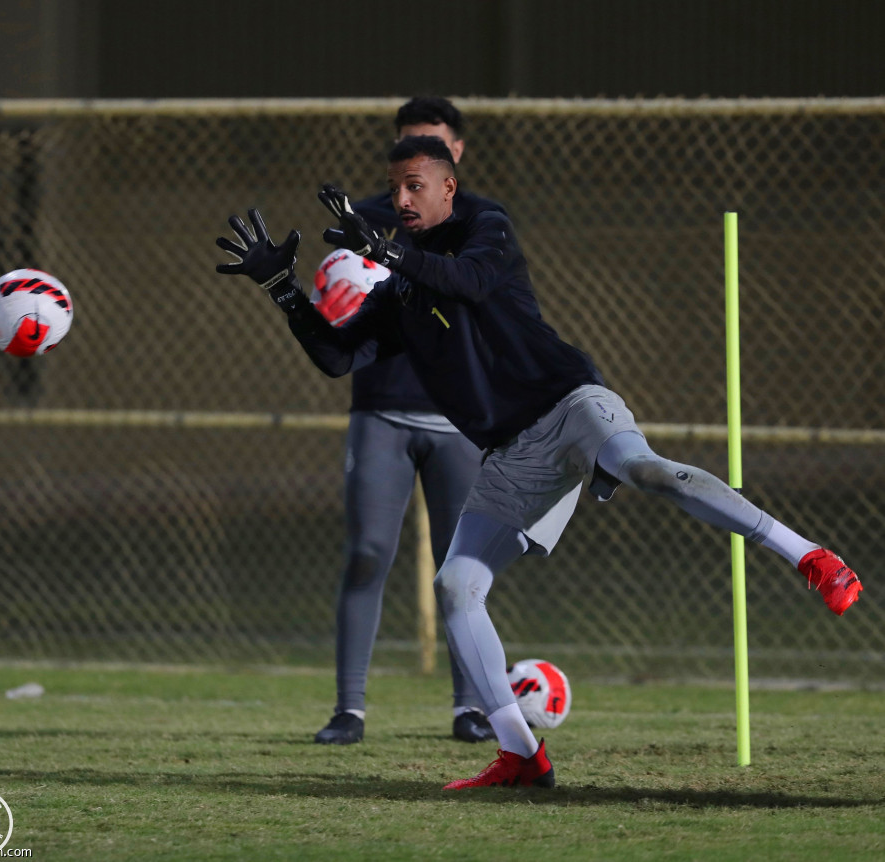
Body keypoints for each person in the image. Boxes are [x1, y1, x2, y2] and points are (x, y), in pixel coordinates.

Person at [216, 136, 863, 790]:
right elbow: (336, 357)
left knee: (645, 470)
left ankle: (811, 556)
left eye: (415, 185)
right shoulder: (399, 295)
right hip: (511, 453)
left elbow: (467, 283)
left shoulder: (484, 225)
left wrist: (386, 250)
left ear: (448, 185)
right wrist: (282, 287)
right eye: (395, 187)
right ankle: (521, 753)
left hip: (571, 404)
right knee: (456, 588)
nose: (401, 198)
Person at [305, 98, 505, 746]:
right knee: (366, 553)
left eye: (432, 142)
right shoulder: (362, 218)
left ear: (456, 157)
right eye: (407, 143)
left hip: (457, 420)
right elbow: (341, 313)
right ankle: (349, 710)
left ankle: (471, 707)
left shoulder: (481, 224)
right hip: (380, 413)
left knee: (462, 569)